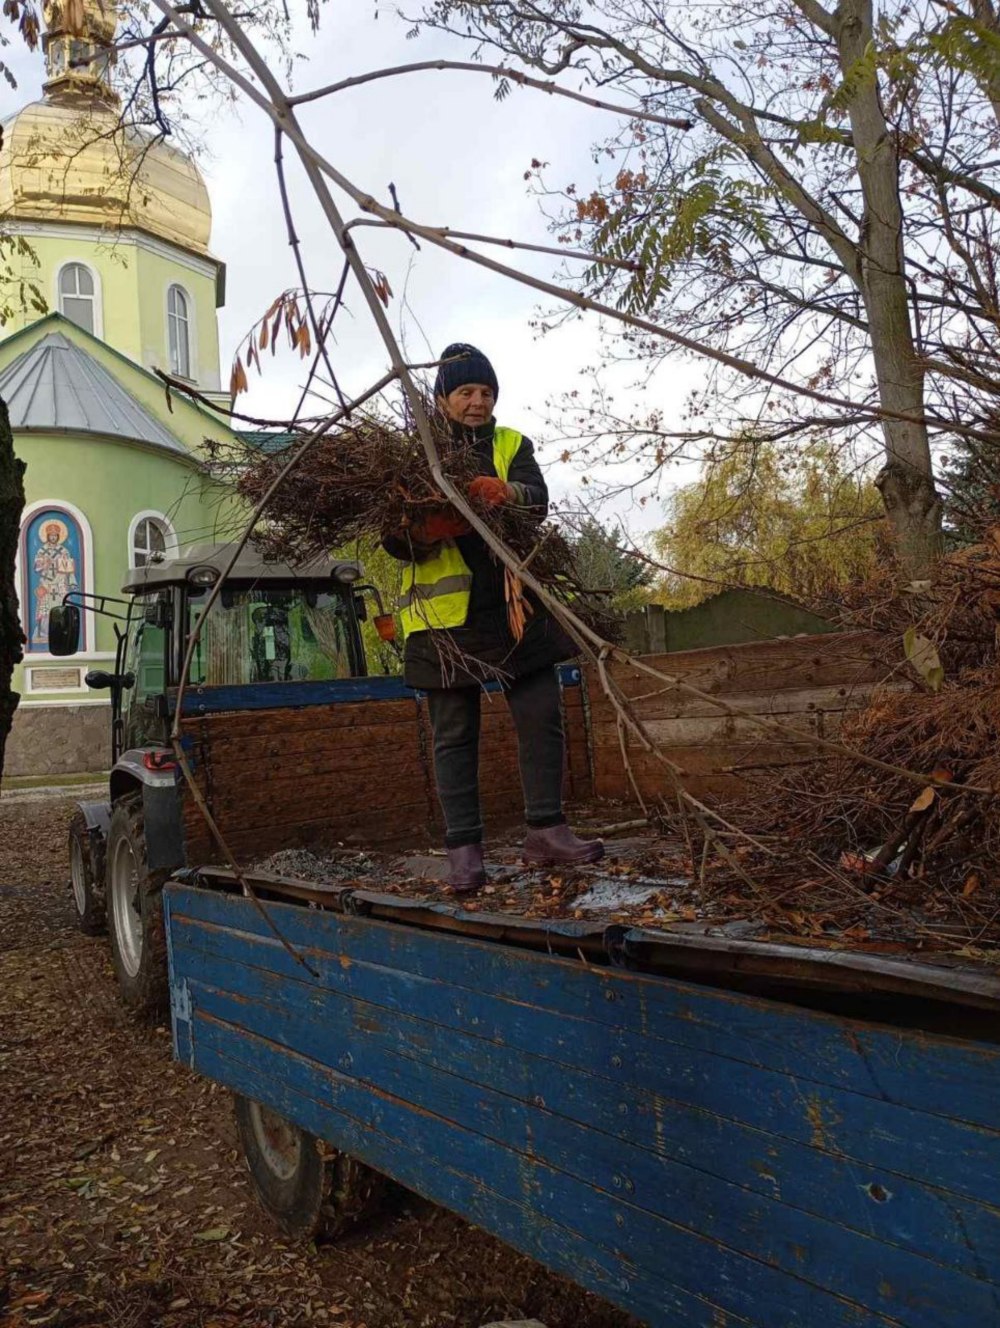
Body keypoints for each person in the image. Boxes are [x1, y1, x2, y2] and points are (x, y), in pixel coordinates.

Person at [382, 343, 604, 893]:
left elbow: (538, 500)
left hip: (514, 607)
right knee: (454, 734)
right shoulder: (415, 454)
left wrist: (504, 491)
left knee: (540, 713)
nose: (478, 402)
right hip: (445, 620)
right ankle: (464, 850)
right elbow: (392, 537)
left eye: (486, 392)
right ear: (441, 400)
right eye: (466, 392)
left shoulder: (511, 444)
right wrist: (425, 531)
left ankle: (546, 832)